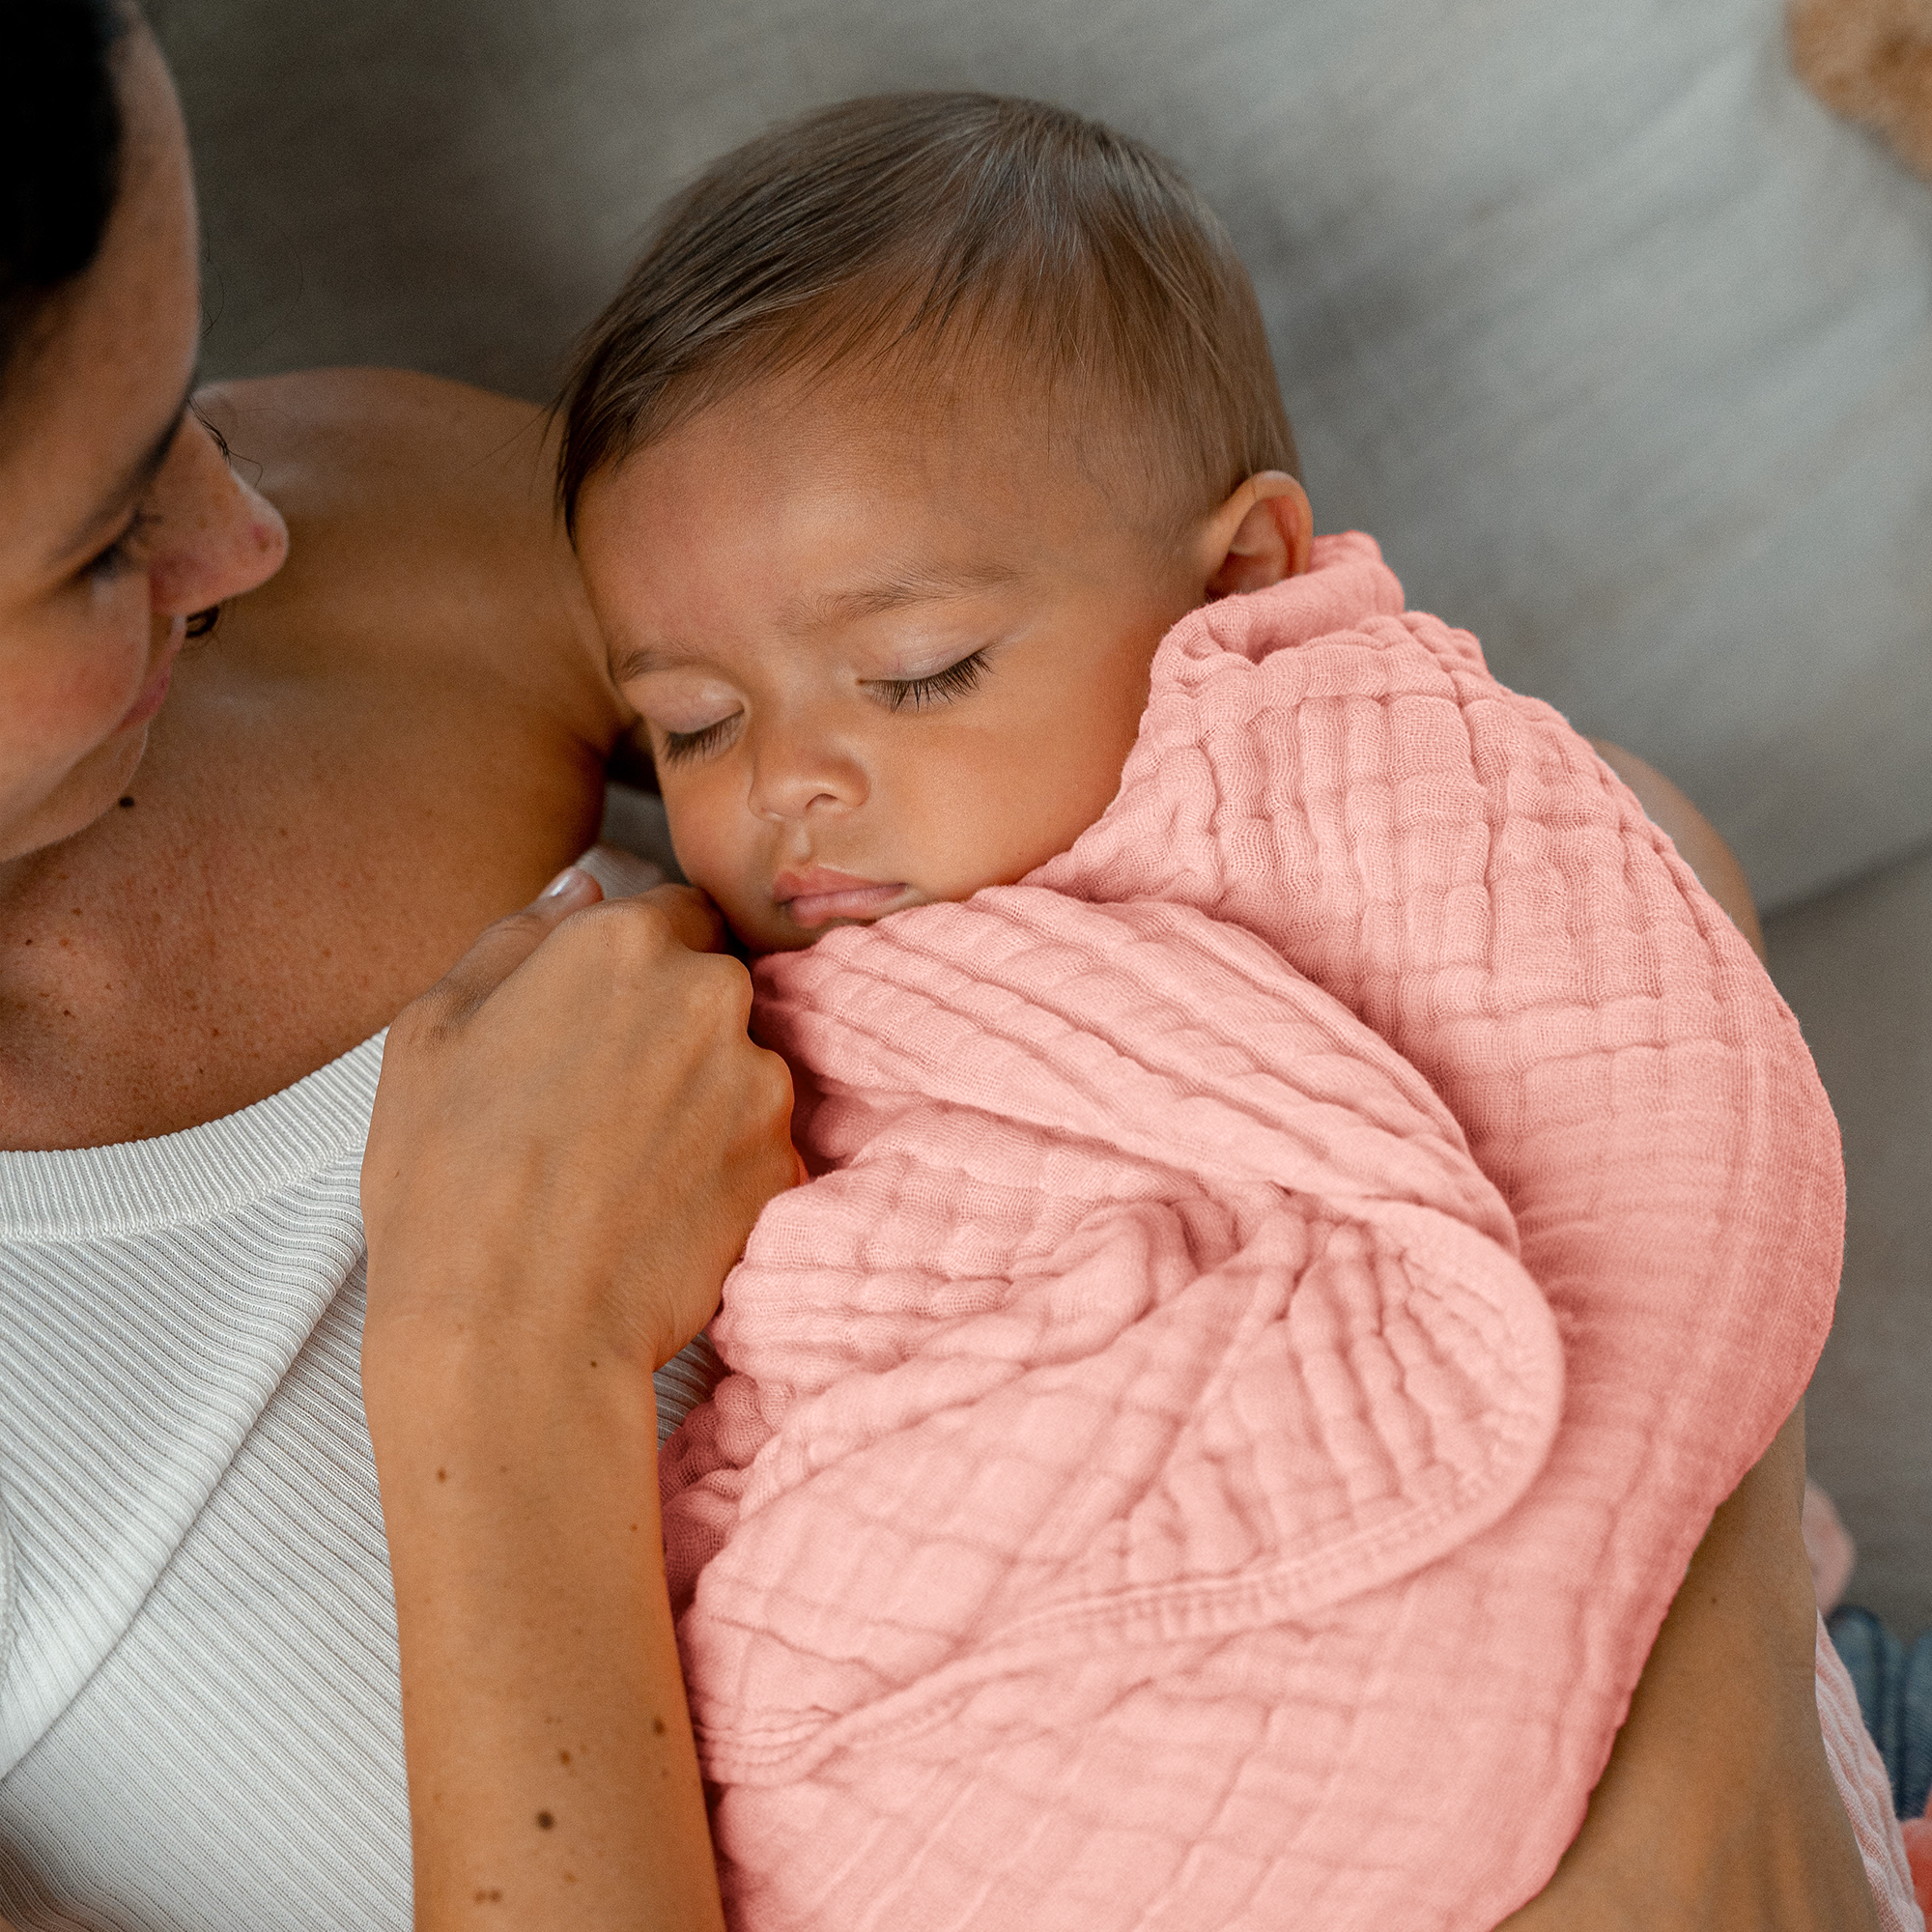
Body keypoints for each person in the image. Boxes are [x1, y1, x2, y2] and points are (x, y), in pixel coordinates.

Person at [0, 8, 1897, 1929]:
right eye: (98, 541)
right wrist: (497, 1362)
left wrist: (1706, 1761)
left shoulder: (358, 536)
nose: (240, 531)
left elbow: (1575, 870)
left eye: (191, 414)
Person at [560, 92, 1917, 1927]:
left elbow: (1667, 1124)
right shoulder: (754, 1010)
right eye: (694, 724)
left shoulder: (1356, 776)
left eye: (917, 671)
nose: (788, 779)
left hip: (1608, 1663)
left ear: (1242, 579)